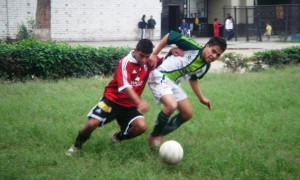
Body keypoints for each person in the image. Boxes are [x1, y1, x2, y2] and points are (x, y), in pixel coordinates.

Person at [65, 39, 184, 156]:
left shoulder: (148, 61)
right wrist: (139, 101)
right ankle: (76, 146)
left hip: (129, 106)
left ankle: (117, 137)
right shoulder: (125, 62)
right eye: (141, 56)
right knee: (92, 124)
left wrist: (171, 52)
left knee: (141, 127)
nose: (143, 60)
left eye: (146, 57)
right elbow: (126, 87)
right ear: (135, 51)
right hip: (112, 101)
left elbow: (162, 60)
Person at [147, 30, 227, 149]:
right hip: (160, 75)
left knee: (187, 114)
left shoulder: (205, 66)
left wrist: (201, 98)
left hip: (173, 84)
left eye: (218, 55)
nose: (214, 56)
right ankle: (154, 137)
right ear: (207, 46)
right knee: (171, 105)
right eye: (213, 51)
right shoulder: (192, 46)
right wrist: (154, 54)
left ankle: (159, 134)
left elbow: (193, 78)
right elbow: (170, 36)